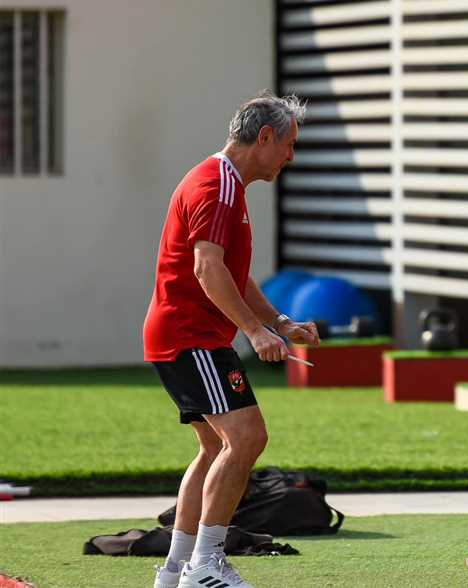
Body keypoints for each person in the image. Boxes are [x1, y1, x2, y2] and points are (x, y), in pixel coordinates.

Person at [144, 91, 319, 588]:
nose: (291, 156)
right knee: (246, 438)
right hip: (191, 337)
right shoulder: (218, 185)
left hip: (184, 336)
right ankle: (206, 565)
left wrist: (279, 323)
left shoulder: (225, 184)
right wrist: (254, 332)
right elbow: (207, 269)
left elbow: (232, 274)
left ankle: (175, 571)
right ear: (264, 137)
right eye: (289, 144)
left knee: (213, 449)